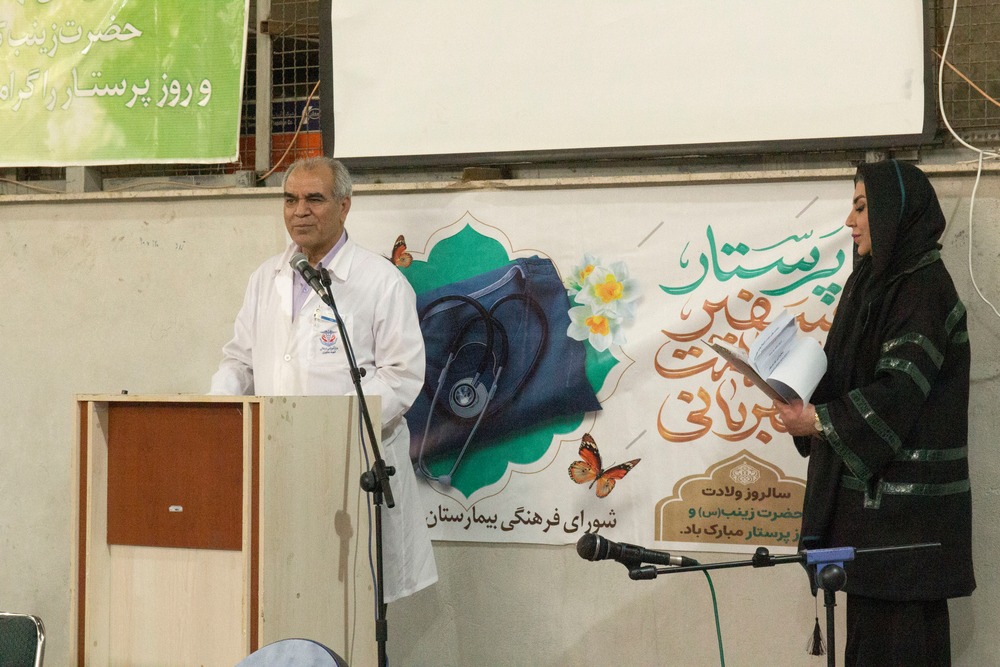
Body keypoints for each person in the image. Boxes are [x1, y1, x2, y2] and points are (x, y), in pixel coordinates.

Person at [210, 156, 437, 603]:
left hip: (351, 463)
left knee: (352, 602)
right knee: (287, 594)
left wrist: (332, 427)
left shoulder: (381, 282)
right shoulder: (265, 278)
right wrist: (216, 412)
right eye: (290, 200)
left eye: (314, 199)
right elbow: (240, 361)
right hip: (279, 460)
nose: (300, 211)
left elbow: (402, 376)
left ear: (344, 206)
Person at [775, 159, 975, 666]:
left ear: (894, 212)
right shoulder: (873, 282)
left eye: (862, 207)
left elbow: (898, 392)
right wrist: (797, 392)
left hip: (905, 536)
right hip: (875, 530)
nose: (850, 221)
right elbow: (849, 375)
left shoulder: (923, 288)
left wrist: (818, 420)